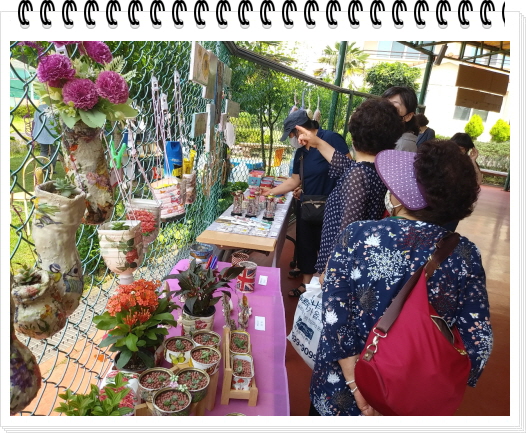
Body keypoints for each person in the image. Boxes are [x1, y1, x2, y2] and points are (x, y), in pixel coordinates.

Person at [309, 141, 492, 416]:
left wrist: (357, 386)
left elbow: (335, 316)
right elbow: (478, 342)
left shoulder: (358, 235)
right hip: (409, 402)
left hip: (339, 392)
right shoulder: (465, 255)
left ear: (402, 197)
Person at [295, 98, 405, 278]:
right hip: (357, 262)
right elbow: (344, 164)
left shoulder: (358, 175)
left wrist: (331, 270)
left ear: (353, 136)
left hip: (340, 269)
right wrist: (318, 142)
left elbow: (348, 230)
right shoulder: (374, 170)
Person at [264, 109, 350, 297]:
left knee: (329, 245)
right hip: (308, 204)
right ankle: (306, 284)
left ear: (300, 129)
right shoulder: (301, 153)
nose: (293, 139)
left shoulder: (330, 138)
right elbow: (294, 180)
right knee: (306, 244)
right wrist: (269, 192)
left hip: (332, 205)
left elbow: (347, 166)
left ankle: (326, 286)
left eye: (292, 135)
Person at [441, 133, 484, 231]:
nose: (457, 151)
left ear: (467, 149)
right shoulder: (442, 159)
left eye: (461, 148)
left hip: (455, 205)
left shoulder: (468, 163)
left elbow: (478, 181)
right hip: (437, 201)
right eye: (455, 147)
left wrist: (473, 161)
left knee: (446, 232)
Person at [381, 86, 419, 152]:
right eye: (383, 106)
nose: (385, 112)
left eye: (394, 109)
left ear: (408, 116)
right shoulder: (383, 135)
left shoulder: (404, 145)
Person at [32, 104, 59, 171]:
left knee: (44, 150)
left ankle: (43, 168)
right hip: (54, 132)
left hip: (42, 132)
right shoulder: (56, 107)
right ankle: (51, 169)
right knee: (54, 151)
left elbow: (35, 120)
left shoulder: (40, 107)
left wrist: (33, 132)